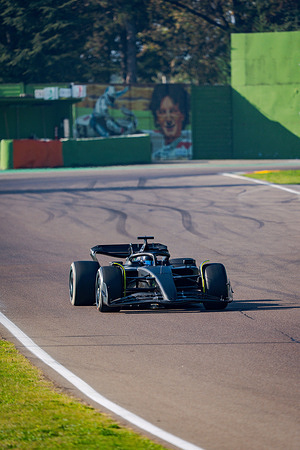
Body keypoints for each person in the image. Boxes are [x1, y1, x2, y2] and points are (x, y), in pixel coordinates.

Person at [149, 84, 192, 161]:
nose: (168, 119)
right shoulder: (157, 152)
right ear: (157, 118)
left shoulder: (189, 147)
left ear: (183, 114)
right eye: (162, 112)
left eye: (173, 111)